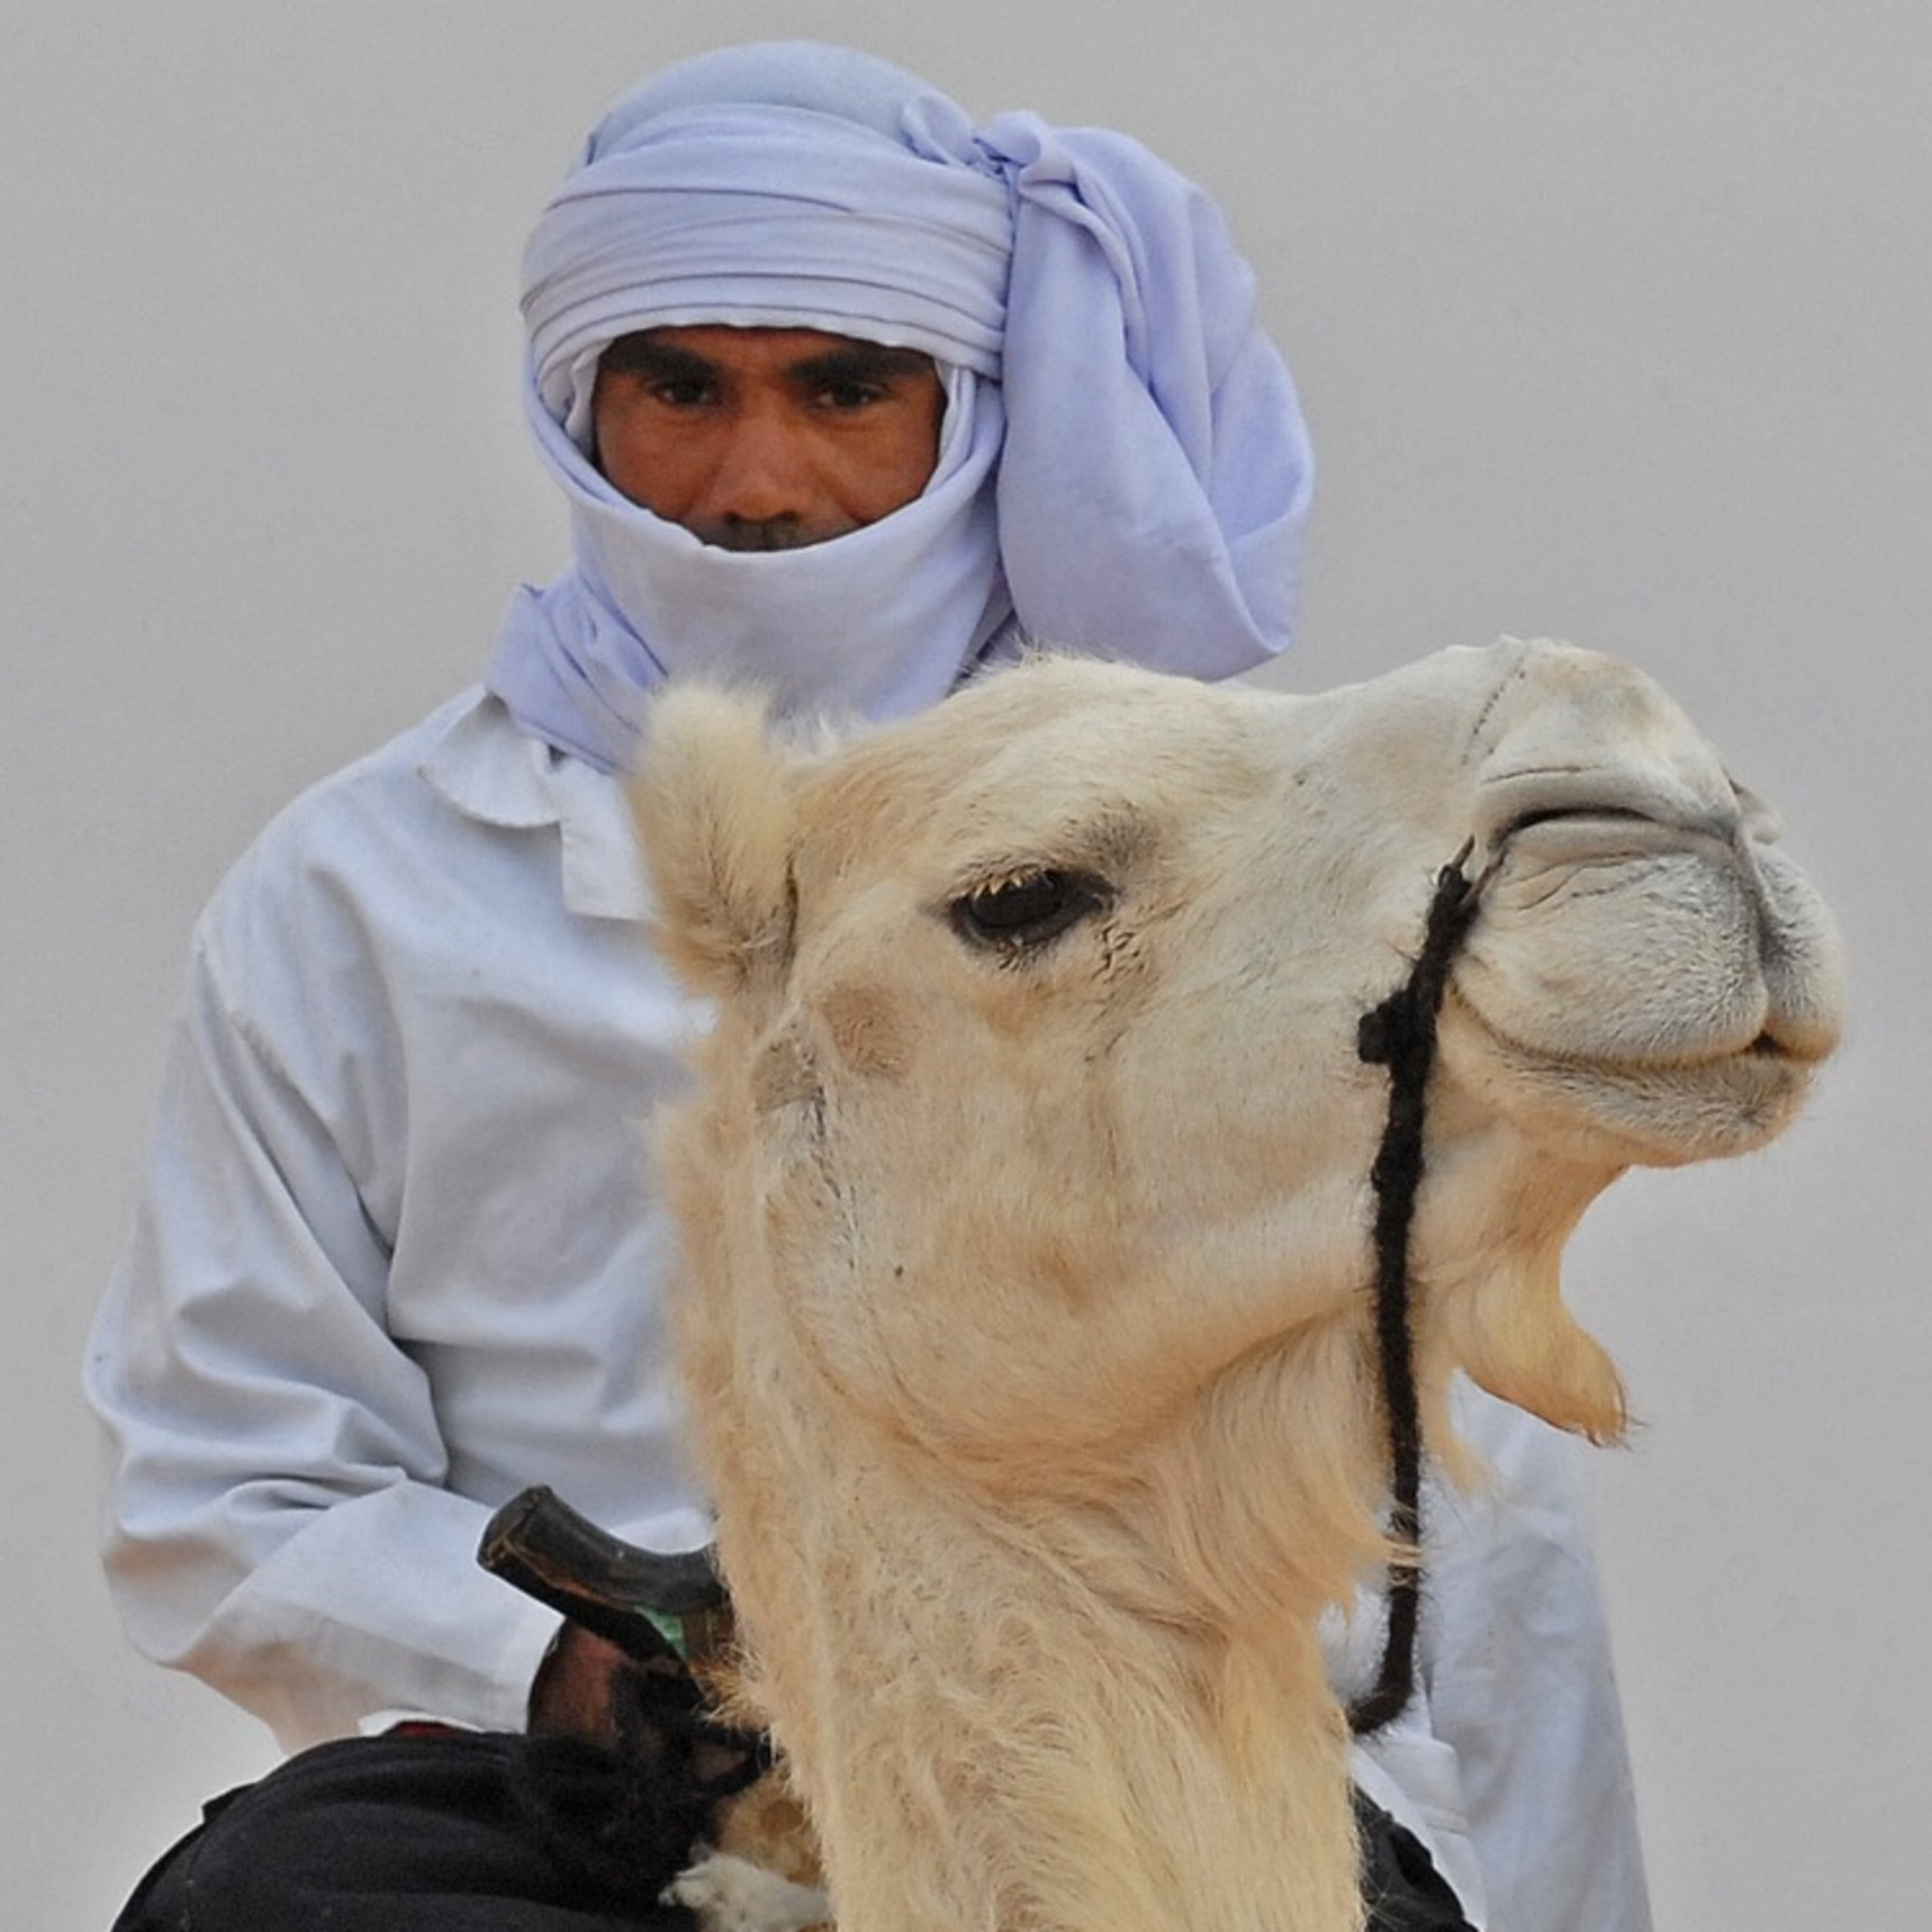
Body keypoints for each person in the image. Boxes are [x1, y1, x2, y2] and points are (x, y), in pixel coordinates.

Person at [84, 40, 1650, 1932]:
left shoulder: (1235, 876)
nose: (759, 484)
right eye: (683, 389)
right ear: (579, 407)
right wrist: (600, 1680)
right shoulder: (359, 894)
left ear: (967, 410)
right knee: (266, 1907)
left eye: (842, 390)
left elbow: (1455, 1501)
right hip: (578, 1793)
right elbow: (230, 1482)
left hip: (1177, 1764)